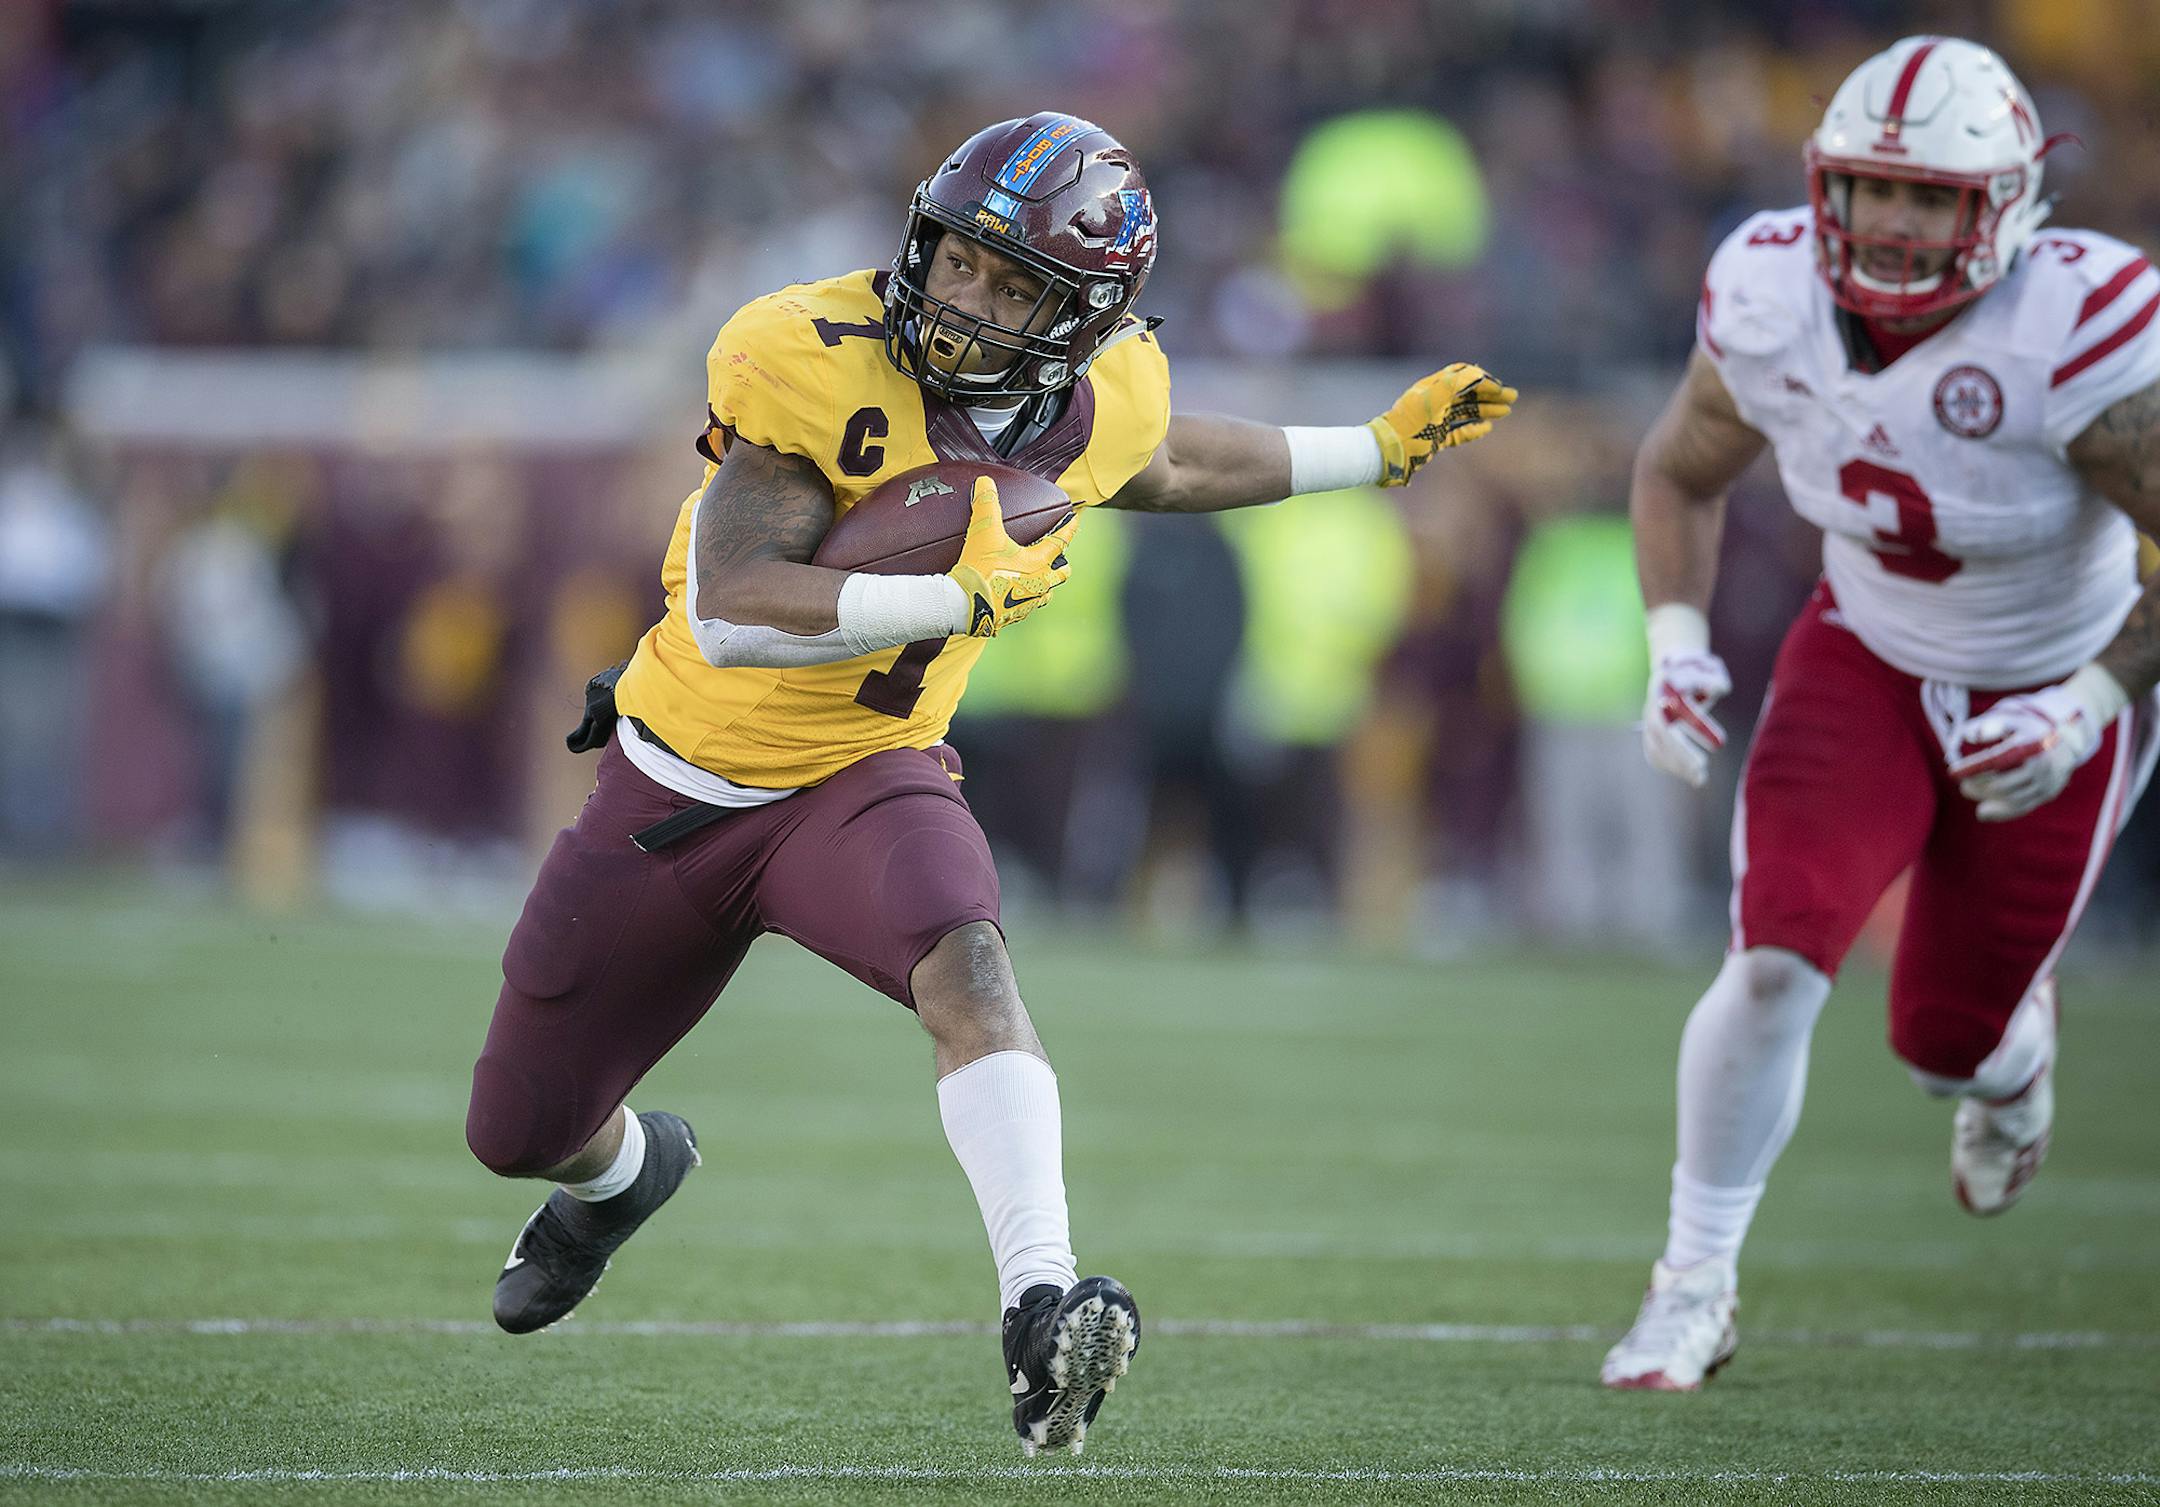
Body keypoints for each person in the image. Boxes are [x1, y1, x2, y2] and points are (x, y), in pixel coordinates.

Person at [462, 111, 1515, 1453]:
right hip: (678, 789)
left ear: (1084, 313)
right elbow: (729, 605)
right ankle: (623, 1179)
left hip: (864, 774)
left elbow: (1173, 457)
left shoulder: (1107, 389)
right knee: (521, 1130)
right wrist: (948, 593)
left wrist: (1376, 449)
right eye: (959, 259)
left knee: (969, 966)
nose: (967, 298)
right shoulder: (808, 355)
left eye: (1014, 284)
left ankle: (1041, 1306)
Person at [1603, 38, 2160, 1392]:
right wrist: (1673, 641)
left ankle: (2011, 1062)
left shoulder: (2078, 329)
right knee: (1778, 954)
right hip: (1864, 655)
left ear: (2011, 205)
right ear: (1822, 186)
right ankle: (1693, 1285)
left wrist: (2090, 703)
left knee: (1941, 1042)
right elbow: (1677, 471)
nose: (1895, 226)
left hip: (2058, 674)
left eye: (1931, 200)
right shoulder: (1768, 290)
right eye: (1869, 191)